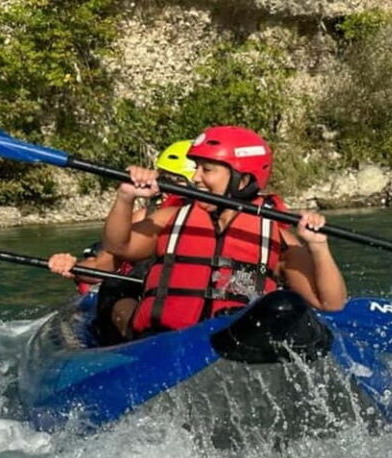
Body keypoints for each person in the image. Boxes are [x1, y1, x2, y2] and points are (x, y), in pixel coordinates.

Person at [94, 125, 346, 337]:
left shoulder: (277, 239)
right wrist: (125, 197)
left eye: (207, 169)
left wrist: (318, 246)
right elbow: (118, 246)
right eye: (196, 168)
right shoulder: (172, 218)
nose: (195, 178)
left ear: (243, 180)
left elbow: (330, 303)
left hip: (232, 342)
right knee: (117, 299)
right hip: (163, 339)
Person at [48, 140, 196, 343]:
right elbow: (102, 265)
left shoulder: (222, 217)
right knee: (114, 288)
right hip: (142, 299)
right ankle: (143, 342)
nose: (166, 188)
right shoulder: (145, 218)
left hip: (190, 303)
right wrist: (74, 267)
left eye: (176, 180)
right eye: (163, 178)